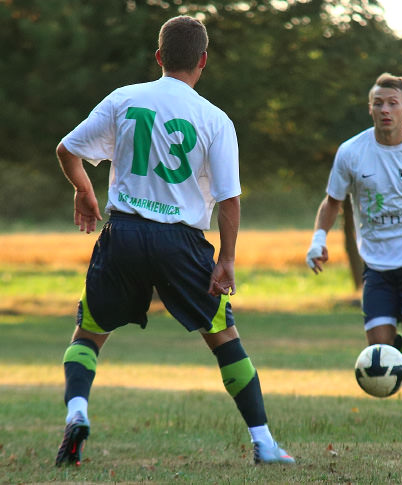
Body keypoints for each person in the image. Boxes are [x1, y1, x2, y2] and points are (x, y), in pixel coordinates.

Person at [54, 15, 293, 466]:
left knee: (88, 333)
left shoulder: (125, 99)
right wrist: (227, 260)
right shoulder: (214, 119)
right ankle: (263, 442)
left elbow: (68, 150)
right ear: (203, 60)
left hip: (122, 233)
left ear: (159, 57)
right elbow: (229, 201)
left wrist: (84, 191)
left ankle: (78, 413)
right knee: (223, 336)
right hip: (180, 242)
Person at [306, 73, 402, 423]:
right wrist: (319, 240)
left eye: (393, 103)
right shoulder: (351, 152)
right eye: (379, 103)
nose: (386, 110)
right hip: (376, 262)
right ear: (370, 109)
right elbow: (332, 202)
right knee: (380, 349)